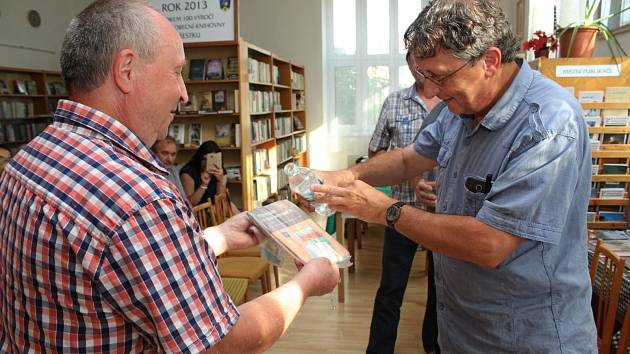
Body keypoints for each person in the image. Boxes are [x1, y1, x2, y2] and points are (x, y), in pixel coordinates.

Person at [0, 0, 339, 352]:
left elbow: (116, 267)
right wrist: (305, 283)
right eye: (176, 71)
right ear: (126, 70)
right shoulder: (140, 198)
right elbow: (220, 343)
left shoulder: (27, 160)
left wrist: (217, 237)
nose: (184, 92)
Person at [310, 0, 597, 352]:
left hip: (526, 337)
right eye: (425, 77)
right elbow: (408, 159)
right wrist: (349, 173)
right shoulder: (460, 106)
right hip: (463, 328)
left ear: (489, 61)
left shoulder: (549, 124)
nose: (431, 91)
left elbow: (490, 243)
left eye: (441, 76)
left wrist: (386, 210)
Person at [366, 51, 441, 354]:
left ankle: (433, 347)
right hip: (402, 212)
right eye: (413, 61)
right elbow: (374, 155)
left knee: (441, 291)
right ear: (410, 65)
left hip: (445, 215)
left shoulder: (455, 103)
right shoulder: (394, 102)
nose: (418, 67)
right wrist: (409, 172)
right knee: (391, 289)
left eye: (424, 60)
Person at [180, 140, 227, 207]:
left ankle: (246, 216)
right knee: (229, 207)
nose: (207, 163)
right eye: (205, 159)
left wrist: (220, 182)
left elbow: (220, 202)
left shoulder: (220, 171)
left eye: (211, 159)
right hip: (197, 210)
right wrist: (204, 185)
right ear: (199, 158)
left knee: (229, 205)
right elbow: (190, 203)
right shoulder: (188, 172)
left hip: (214, 208)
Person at [152, 135, 187, 202]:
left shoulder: (173, 170)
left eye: (173, 154)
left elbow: (184, 199)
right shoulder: (149, 174)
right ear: (153, 153)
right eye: (165, 153)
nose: (170, 159)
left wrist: (191, 212)